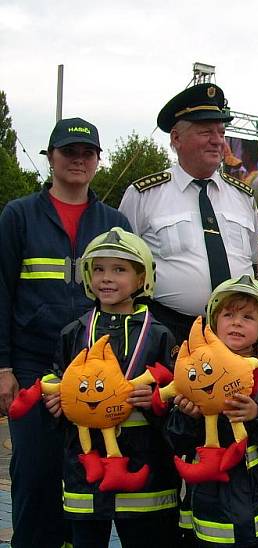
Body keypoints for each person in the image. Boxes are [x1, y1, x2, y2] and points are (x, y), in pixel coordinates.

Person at [0, 117, 131, 547]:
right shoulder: (19, 216)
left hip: (97, 376)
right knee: (36, 477)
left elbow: (132, 300)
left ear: (97, 160)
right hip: (35, 370)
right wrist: (3, 366)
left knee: (87, 484)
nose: (78, 160)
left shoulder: (115, 222)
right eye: (68, 152)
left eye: (87, 153)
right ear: (51, 157)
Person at [44, 227, 180, 547]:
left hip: (146, 470)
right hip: (85, 469)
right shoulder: (73, 332)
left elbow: (180, 394)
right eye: (99, 269)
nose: (107, 278)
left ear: (141, 278)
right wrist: (55, 402)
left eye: (119, 269)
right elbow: (55, 377)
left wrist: (158, 400)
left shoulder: (160, 335)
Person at [166, 275, 258, 547]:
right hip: (212, 503)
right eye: (229, 314)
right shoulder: (194, 374)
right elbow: (176, 439)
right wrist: (186, 417)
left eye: (248, 317)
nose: (236, 322)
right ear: (213, 323)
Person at [119, 83, 258, 342]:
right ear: (176, 138)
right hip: (169, 333)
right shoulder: (143, 195)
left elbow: (255, 261)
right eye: (206, 132)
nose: (218, 140)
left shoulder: (243, 197)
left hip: (238, 337)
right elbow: (122, 267)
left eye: (221, 132)